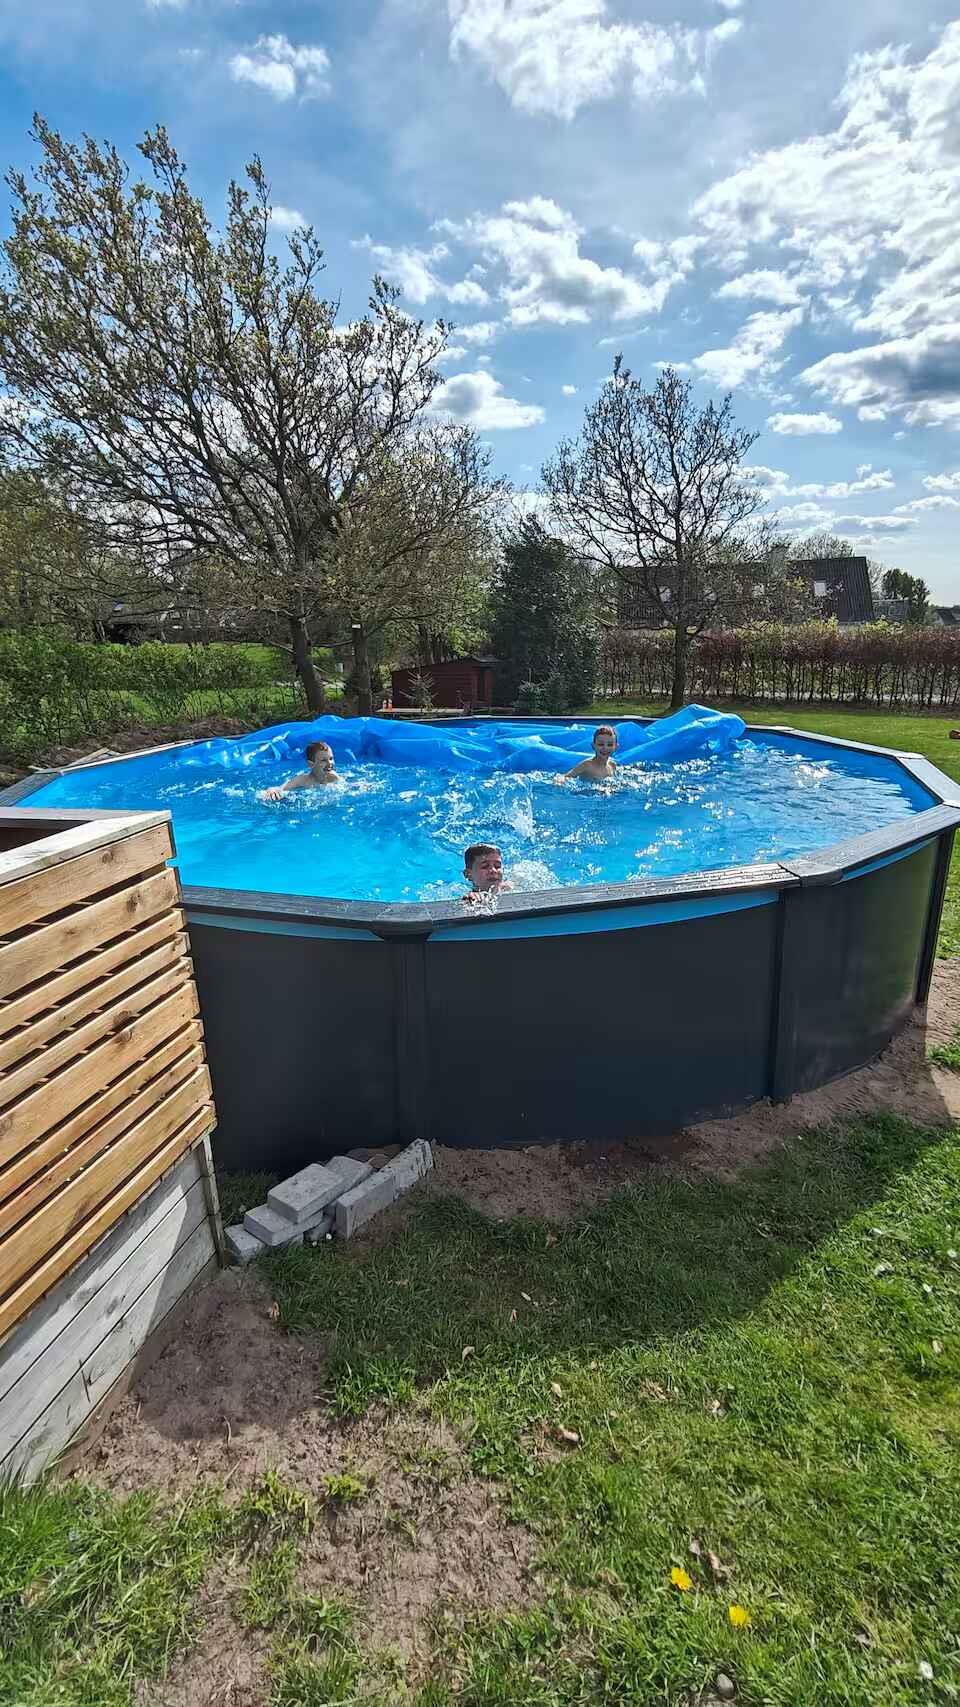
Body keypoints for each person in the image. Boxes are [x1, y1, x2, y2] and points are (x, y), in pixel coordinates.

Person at [261, 740, 340, 801]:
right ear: (311, 764)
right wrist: (273, 790)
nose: (330, 763)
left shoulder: (334, 778)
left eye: (331, 758)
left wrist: (339, 781)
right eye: (323, 760)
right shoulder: (303, 779)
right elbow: (282, 787)